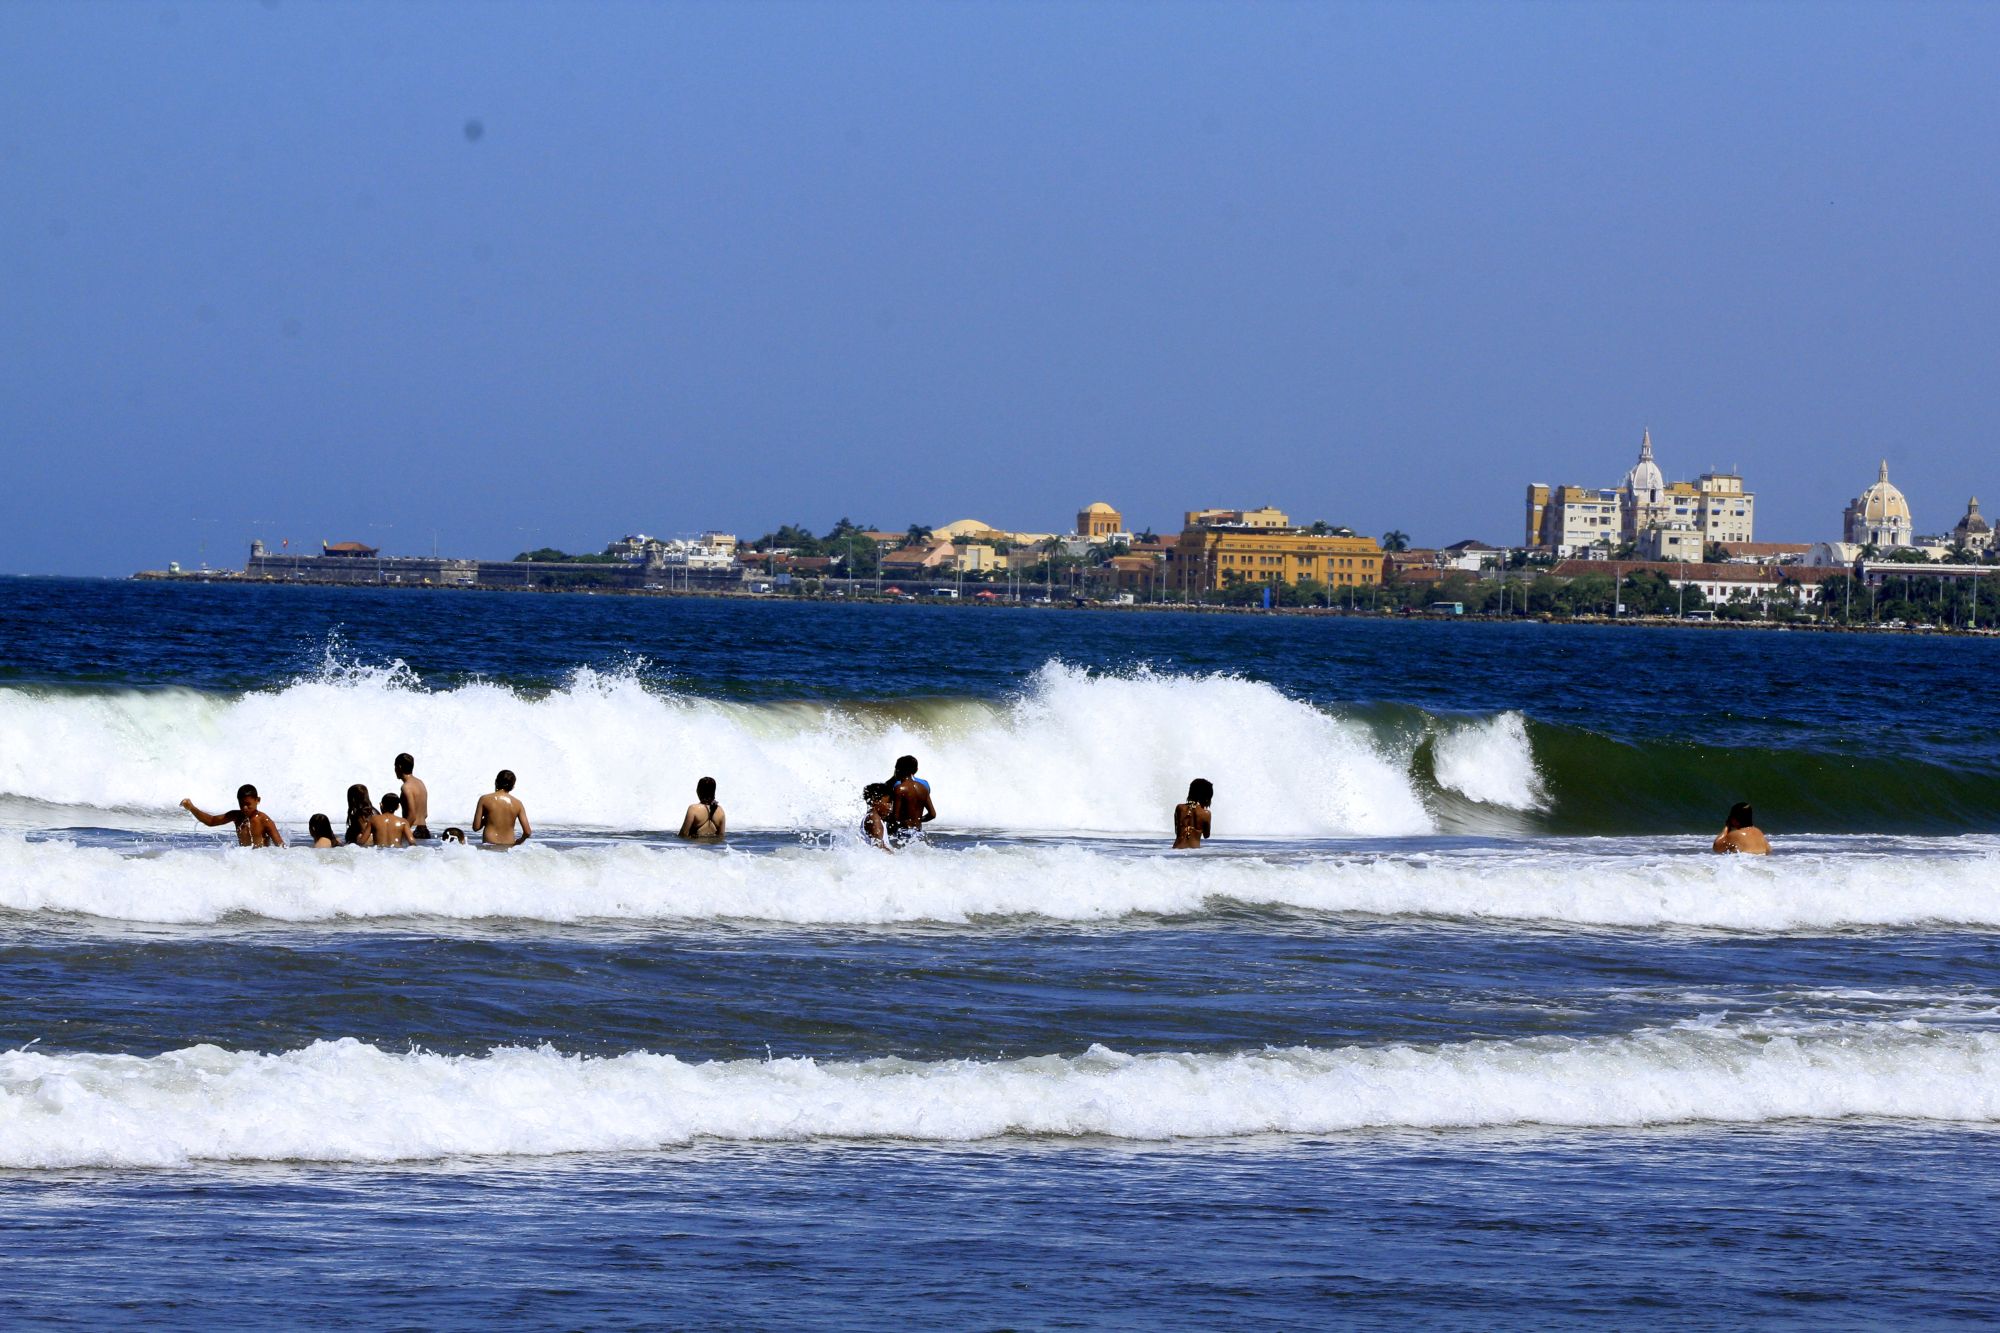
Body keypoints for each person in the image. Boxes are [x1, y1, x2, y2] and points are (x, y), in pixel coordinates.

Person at [180, 784, 284, 847]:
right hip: (244, 859)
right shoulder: (236, 816)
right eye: (241, 804)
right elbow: (211, 821)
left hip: (260, 862)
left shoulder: (264, 821)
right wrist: (192, 808)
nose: (244, 808)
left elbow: (280, 846)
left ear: (258, 800)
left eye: (248, 804)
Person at [474, 769, 532, 847]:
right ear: (513, 786)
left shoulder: (484, 799)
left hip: (490, 843)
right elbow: (527, 832)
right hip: (509, 845)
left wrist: (487, 819)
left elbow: (476, 827)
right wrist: (520, 841)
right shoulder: (518, 803)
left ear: (496, 782)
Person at [886, 754, 936, 845]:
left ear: (897, 770)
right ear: (916, 770)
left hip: (903, 832)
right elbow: (932, 814)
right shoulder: (923, 788)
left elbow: (895, 817)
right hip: (918, 832)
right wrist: (918, 820)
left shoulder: (900, 788)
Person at [678, 776, 727, 840]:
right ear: (713, 791)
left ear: (698, 790)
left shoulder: (693, 809)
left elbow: (683, 834)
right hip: (712, 849)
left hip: (695, 848)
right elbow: (721, 837)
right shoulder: (720, 811)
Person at [395, 752, 431, 840]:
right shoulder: (420, 783)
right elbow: (425, 814)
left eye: (394, 766)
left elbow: (412, 816)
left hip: (412, 830)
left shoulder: (406, 787)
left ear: (399, 767)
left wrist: (402, 834)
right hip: (424, 830)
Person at [1173, 778, 1214, 849]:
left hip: (1177, 848)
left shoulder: (1179, 808)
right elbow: (1206, 835)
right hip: (1194, 851)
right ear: (1207, 796)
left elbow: (1177, 832)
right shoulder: (1206, 814)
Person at [861, 782, 895, 852]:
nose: (890, 807)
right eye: (888, 802)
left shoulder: (873, 817)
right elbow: (878, 847)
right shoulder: (874, 818)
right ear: (875, 801)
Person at [344, 783, 378, 847]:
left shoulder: (359, 813)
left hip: (365, 841)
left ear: (353, 798)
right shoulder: (374, 811)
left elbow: (364, 831)